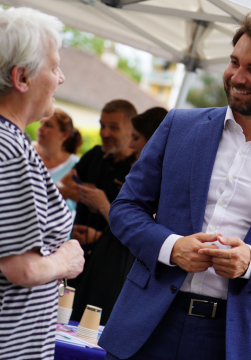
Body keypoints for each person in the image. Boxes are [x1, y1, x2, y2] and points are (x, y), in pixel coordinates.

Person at [99, 14, 251, 360]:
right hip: (146, 323)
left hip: (229, 340)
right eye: (234, 62)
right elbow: (125, 208)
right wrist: (171, 246)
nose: (236, 77)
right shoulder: (178, 126)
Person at [0, 7, 85, 360]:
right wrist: (65, 258)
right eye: (53, 66)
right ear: (21, 78)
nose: (61, 78)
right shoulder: (11, 149)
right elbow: (22, 267)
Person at [60, 99, 138, 325]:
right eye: (102, 125)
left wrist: (104, 205)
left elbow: (136, 225)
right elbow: (64, 186)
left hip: (107, 270)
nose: (105, 133)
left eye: (113, 127)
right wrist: (80, 193)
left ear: (131, 129)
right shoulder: (95, 155)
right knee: (62, 321)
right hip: (75, 258)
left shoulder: (136, 169)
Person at [34, 108, 82, 216]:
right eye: (41, 123)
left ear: (64, 135)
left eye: (48, 125)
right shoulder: (27, 151)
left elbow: (73, 204)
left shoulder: (75, 165)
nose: (41, 128)